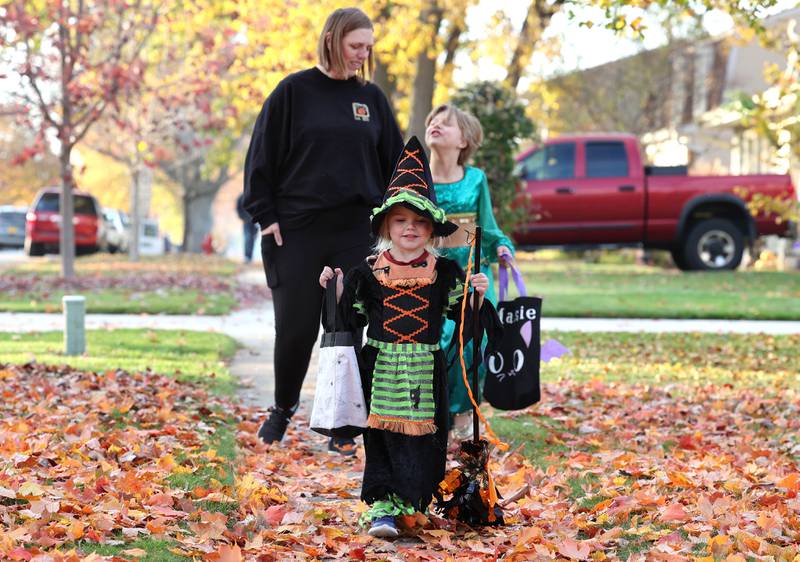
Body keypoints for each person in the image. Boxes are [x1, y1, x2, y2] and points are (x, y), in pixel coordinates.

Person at [319, 137, 501, 538]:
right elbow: (348, 323)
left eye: (419, 223)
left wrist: (477, 297)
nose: (410, 228)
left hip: (426, 371)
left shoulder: (444, 273)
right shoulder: (368, 274)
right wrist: (334, 294)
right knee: (382, 438)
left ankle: (412, 504)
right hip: (380, 369)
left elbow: (464, 320)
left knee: (428, 442)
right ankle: (383, 508)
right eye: (401, 221)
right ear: (386, 226)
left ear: (432, 230)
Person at [242, 7, 404, 453]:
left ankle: (343, 424)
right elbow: (261, 156)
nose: (362, 55)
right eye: (356, 46)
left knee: (346, 326)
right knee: (295, 328)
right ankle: (281, 409)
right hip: (297, 229)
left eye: (368, 47)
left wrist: (403, 217)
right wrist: (265, 214)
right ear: (333, 39)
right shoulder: (293, 92)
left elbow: (396, 162)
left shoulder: (370, 98)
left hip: (354, 228)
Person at [424, 104, 515, 439]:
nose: (435, 125)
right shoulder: (416, 177)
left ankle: (463, 414)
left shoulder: (475, 179)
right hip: (429, 278)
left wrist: (501, 247)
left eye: (446, 124)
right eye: (433, 121)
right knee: (439, 341)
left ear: (464, 141)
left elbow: (486, 226)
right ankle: (434, 415)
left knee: (475, 342)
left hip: (472, 277)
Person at [236, 193, 259, 263]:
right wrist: (243, 218)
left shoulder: (256, 195)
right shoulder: (241, 197)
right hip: (246, 222)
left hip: (255, 221)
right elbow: (238, 209)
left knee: (254, 238)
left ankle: (251, 256)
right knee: (247, 237)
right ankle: (247, 256)